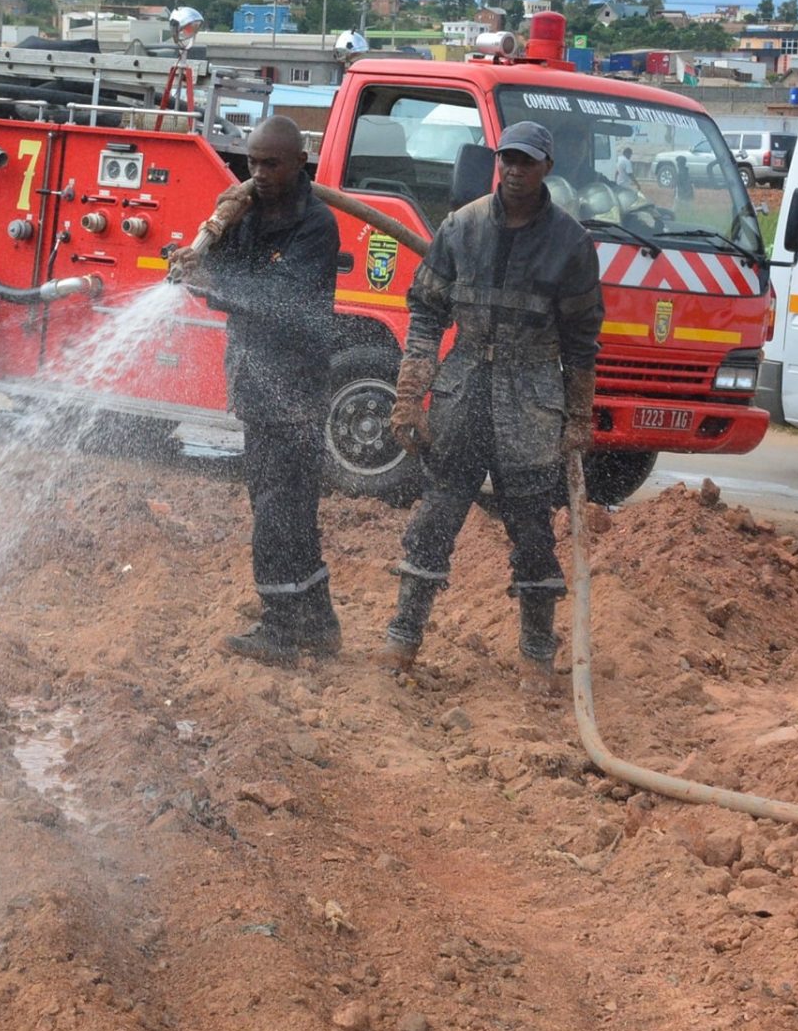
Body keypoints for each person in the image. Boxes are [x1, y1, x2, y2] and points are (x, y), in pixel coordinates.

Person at [386, 121, 604, 671]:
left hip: (529, 402)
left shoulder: (571, 244)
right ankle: (402, 639)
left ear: (546, 168)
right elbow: (426, 313)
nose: (514, 169)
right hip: (462, 396)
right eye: (507, 158)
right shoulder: (461, 227)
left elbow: (581, 341)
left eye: (526, 161)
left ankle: (536, 656)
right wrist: (410, 393)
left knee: (532, 529)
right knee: (434, 520)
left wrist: (579, 414)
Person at [173, 116, 341, 664]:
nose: (261, 173)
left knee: (278, 510)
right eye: (253, 163)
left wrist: (214, 283)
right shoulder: (245, 214)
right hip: (255, 383)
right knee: (287, 508)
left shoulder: (316, 225)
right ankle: (317, 625)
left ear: (299, 165)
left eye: (272, 164)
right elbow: (222, 273)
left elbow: (280, 298)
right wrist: (199, 256)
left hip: (294, 390)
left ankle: (280, 629)